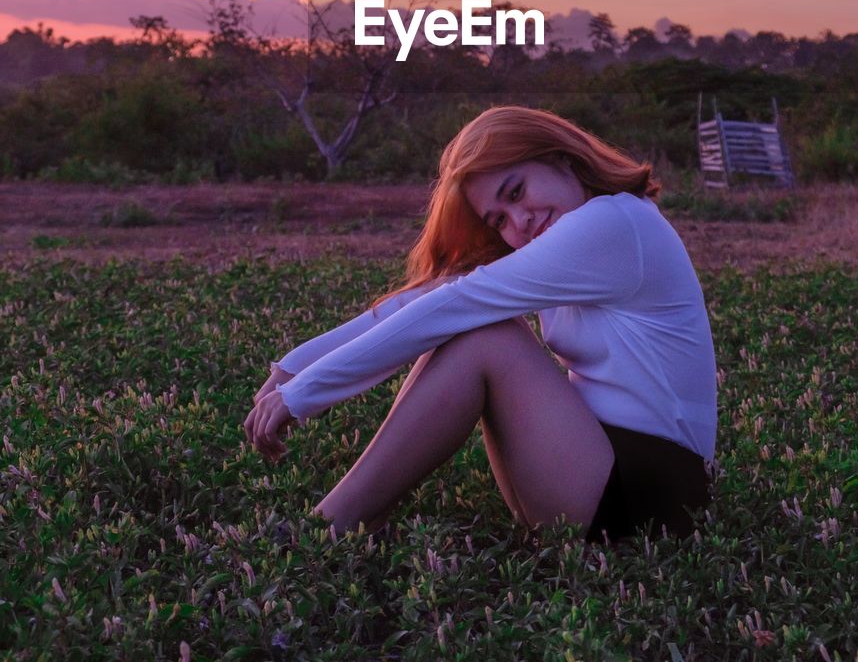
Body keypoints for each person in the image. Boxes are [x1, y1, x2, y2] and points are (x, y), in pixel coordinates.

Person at [243, 106, 716, 542]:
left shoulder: (615, 222)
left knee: (489, 334)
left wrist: (306, 393)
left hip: (658, 497)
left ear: (560, 158)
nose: (520, 222)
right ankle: (341, 522)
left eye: (517, 192)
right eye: (499, 219)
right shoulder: (562, 236)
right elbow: (427, 297)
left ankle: (330, 527)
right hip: (591, 464)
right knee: (477, 321)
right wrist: (293, 369)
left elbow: (456, 303)